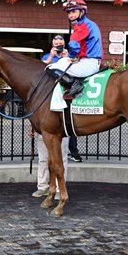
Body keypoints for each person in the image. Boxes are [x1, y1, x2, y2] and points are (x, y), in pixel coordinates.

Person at [32, 37, 70, 199]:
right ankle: (42, 185)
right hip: (44, 114)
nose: (59, 48)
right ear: (51, 46)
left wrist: (66, 58)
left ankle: (60, 187)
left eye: (61, 45)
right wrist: (50, 57)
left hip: (61, 117)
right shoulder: (45, 59)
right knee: (43, 156)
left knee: (61, 156)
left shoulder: (68, 59)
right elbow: (40, 75)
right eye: (56, 45)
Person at [62, 0, 103, 78]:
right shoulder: (89, 23)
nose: (71, 15)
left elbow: (73, 44)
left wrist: (72, 57)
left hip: (88, 63)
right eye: (69, 13)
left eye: (73, 12)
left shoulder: (82, 25)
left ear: (82, 11)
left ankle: (74, 88)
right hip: (91, 62)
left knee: (54, 67)